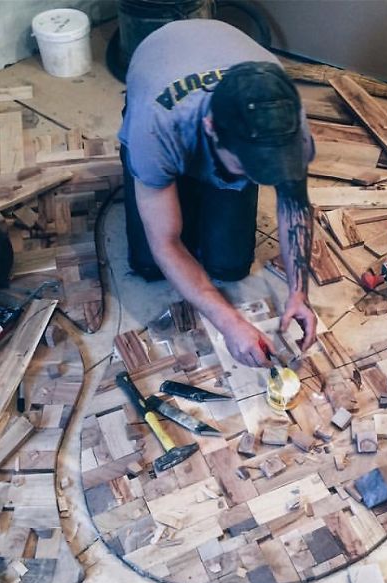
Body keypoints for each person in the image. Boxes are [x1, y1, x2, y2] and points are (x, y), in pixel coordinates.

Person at [118, 19, 317, 368]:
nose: (256, 177)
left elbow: (294, 205)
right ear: (211, 128)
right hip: (160, 57)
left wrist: (299, 293)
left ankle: (205, 178)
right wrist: (229, 323)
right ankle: (178, 175)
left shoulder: (284, 117)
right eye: (246, 165)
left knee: (230, 266)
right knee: (149, 264)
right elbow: (166, 243)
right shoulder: (157, 126)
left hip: (220, 52)